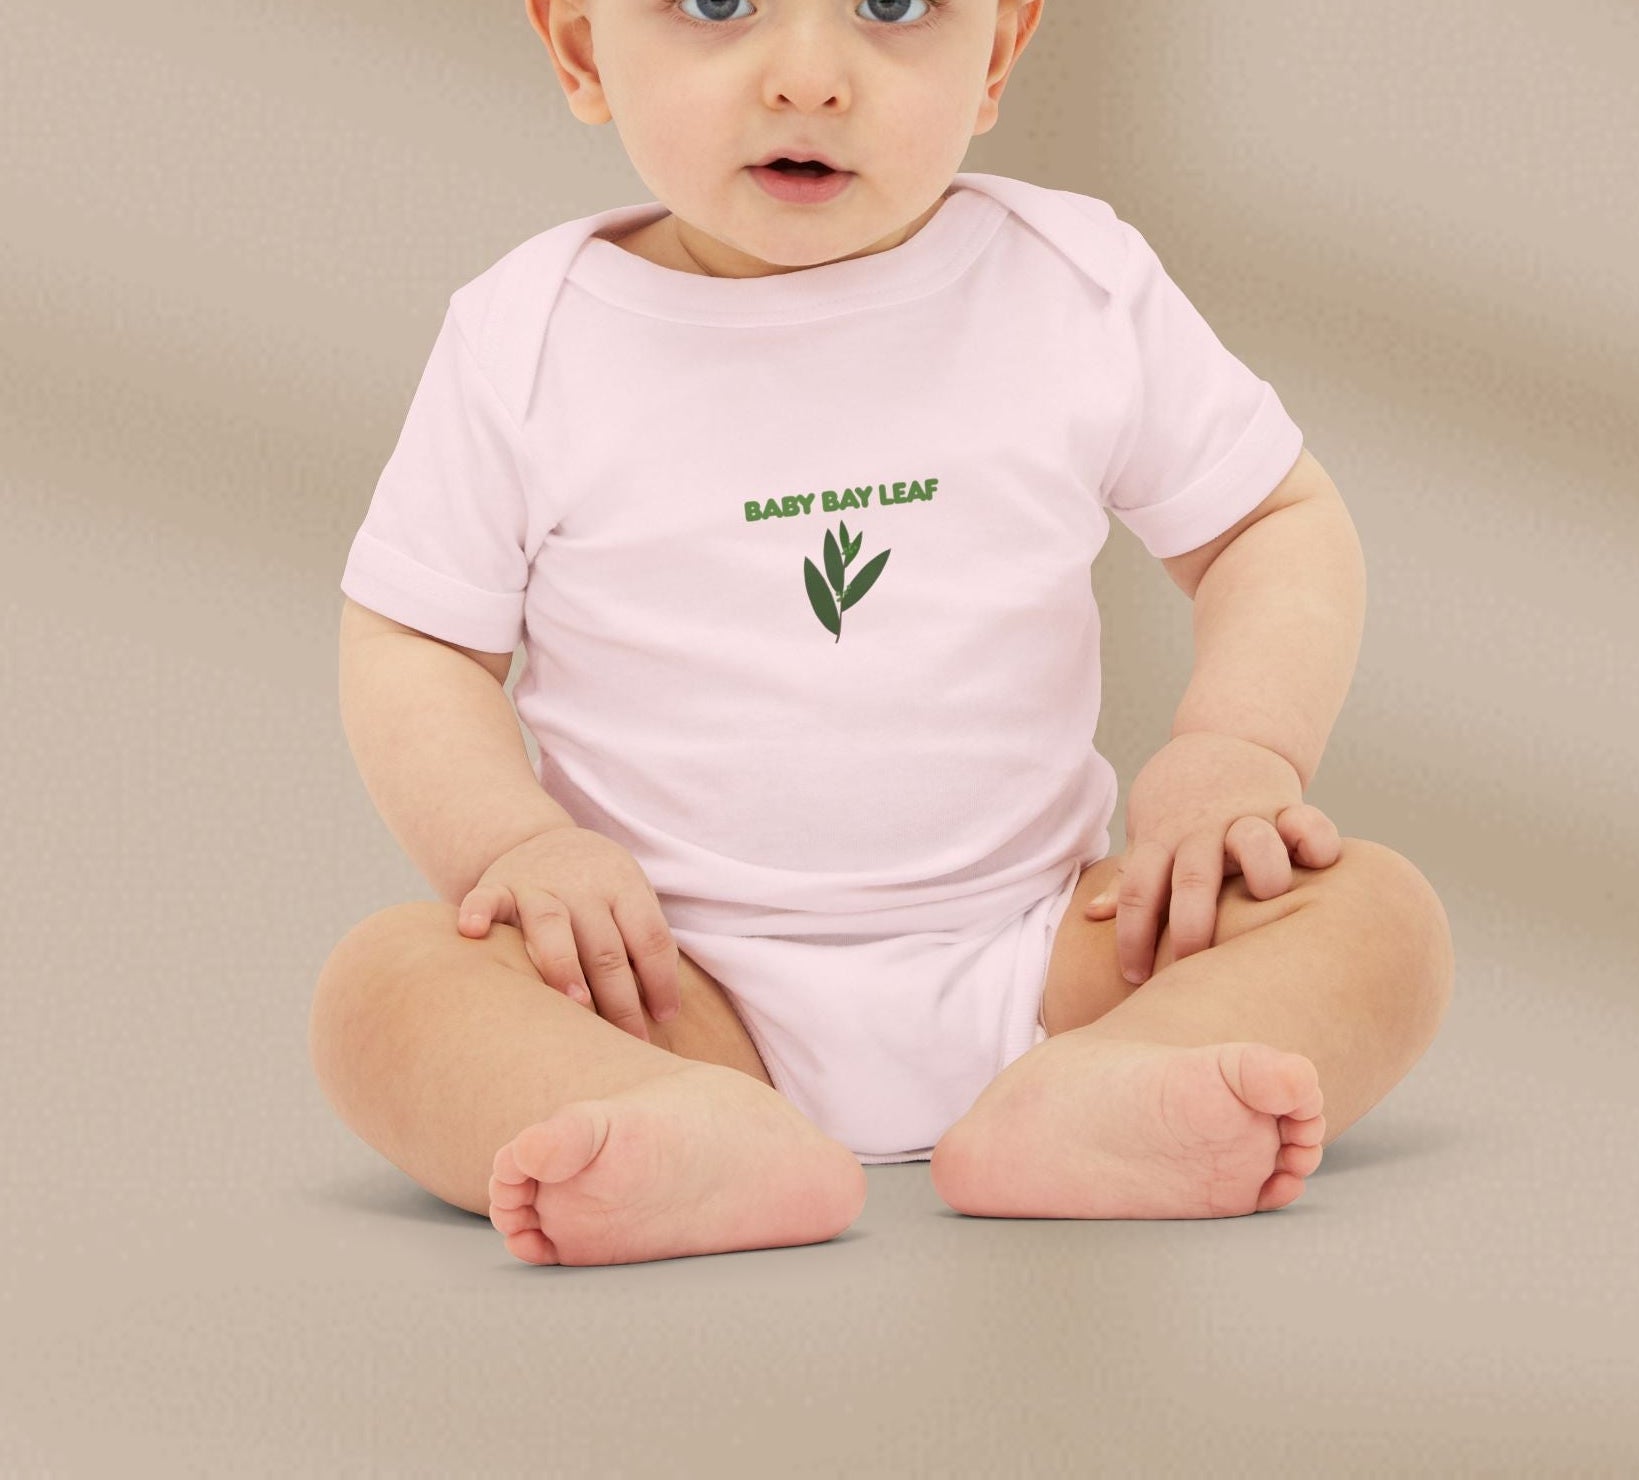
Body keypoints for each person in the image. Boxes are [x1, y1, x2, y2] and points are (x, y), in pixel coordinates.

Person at [309, 0, 1455, 1267]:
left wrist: (1238, 748)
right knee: (386, 987)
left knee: (1377, 916)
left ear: (1000, 54)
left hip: (1053, 959)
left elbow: (1271, 525)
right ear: (581, 48)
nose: (810, 79)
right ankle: (676, 1120)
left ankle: (1106, 1089)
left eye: (894, 4)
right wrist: (514, 843)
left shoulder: (1072, 283)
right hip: (664, 985)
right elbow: (417, 641)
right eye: (716, 3)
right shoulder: (527, 339)